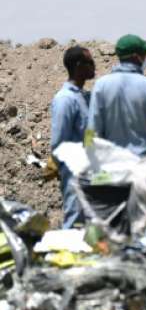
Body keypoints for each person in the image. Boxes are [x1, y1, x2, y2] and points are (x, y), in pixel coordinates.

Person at [88, 34, 146, 156]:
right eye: (145, 53)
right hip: (141, 165)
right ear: (137, 57)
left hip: (111, 165)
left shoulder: (101, 85)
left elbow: (92, 130)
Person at [51, 46, 96, 228]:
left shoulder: (82, 97)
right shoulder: (65, 99)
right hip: (75, 175)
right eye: (90, 63)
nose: (94, 66)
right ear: (79, 66)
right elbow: (58, 141)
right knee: (74, 227)